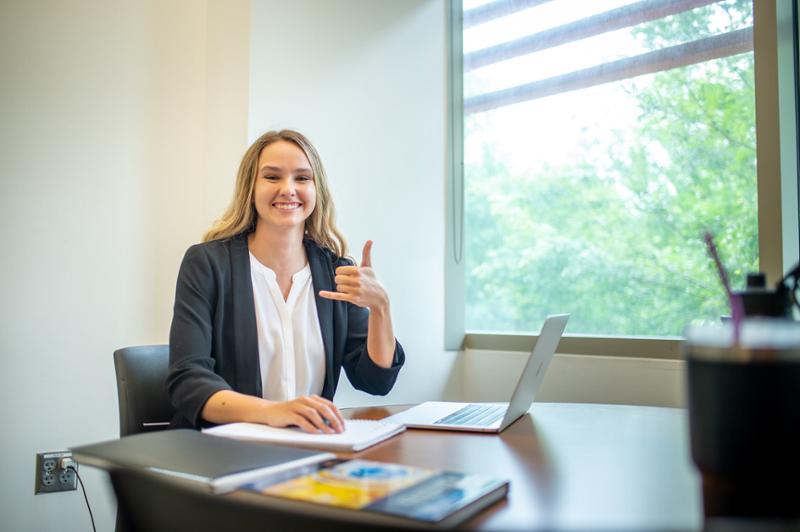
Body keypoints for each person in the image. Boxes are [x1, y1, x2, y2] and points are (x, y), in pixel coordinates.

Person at [166, 129, 405, 433]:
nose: (288, 189)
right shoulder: (208, 264)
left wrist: (381, 308)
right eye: (272, 177)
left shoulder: (337, 272)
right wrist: (273, 412)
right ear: (250, 189)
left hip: (308, 448)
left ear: (317, 190)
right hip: (220, 450)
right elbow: (187, 380)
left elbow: (376, 381)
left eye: (302, 178)